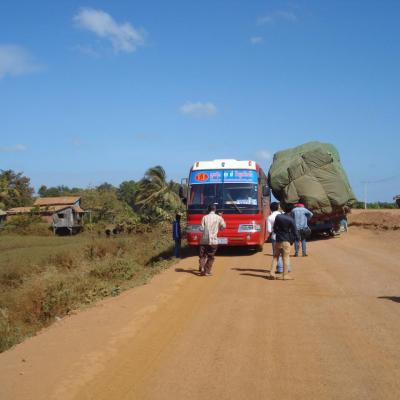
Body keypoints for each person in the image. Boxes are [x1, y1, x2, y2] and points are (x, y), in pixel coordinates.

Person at [269, 203, 299, 280]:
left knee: (275, 257)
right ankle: (285, 275)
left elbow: (275, 228)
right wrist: (296, 240)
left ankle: (272, 273)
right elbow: (295, 232)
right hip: (286, 241)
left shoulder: (278, 217)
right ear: (291, 210)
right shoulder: (291, 220)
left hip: (278, 240)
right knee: (285, 258)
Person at [199, 204, 226, 276]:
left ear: (208, 209)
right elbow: (223, 226)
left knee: (203, 255)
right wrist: (220, 227)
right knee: (211, 256)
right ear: (215, 209)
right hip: (213, 240)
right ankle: (207, 271)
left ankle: (202, 267)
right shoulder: (219, 218)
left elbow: (201, 228)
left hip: (204, 239)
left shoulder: (204, 217)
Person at [267, 202, 291, 274]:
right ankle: (287, 269)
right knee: (286, 254)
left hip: (275, 237)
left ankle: (280, 269)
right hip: (286, 237)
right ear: (278, 207)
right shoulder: (283, 214)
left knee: (276, 255)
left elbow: (269, 230)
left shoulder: (270, 217)